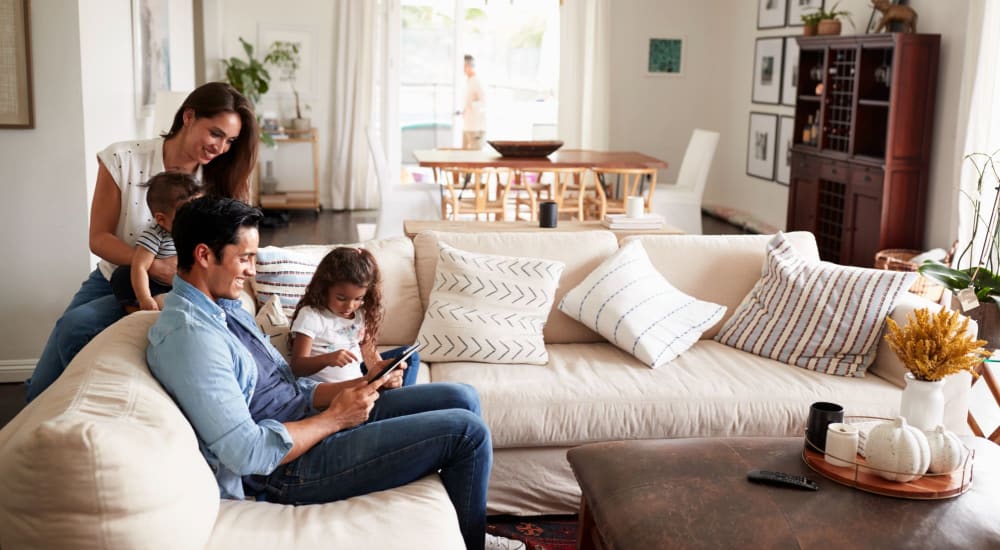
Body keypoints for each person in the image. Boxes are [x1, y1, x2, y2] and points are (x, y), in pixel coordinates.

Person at [146, 197, 492, 549]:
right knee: (467, 433)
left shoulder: (225, 308)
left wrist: (362, 383)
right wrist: (337, 418)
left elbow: (288, 389)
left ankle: (465, 526)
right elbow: (246, 453)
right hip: (288, 467)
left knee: (462, 396)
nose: (252, 270)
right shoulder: (191, 338)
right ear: (204, 256)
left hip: (311, 418)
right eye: (245, 258)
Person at [25, 82, 259, 403]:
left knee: (77, 327)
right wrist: (154, 265)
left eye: (230, 140)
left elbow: (230, 250)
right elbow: (99, 238)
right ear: (188, 116)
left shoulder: (219, 180)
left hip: (178, 288)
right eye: (215, 133)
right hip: (115, 274)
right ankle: (52, 416)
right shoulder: (123, 158)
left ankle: (83, 407)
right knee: (41, 383)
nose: (221, 147)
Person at [289, 247, 421, 386]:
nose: (349, 306)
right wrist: (327, 359)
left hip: (361, 383)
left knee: (410, 357)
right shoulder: (311, 315)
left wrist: (383, 377)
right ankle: (400, 400)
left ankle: (398, 396)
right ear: (324, 288)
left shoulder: (359, 314)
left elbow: (370, 356)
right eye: (341, 298)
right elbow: (297, 367)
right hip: (336, 393)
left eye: (358, 299)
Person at [109, 171, 202, 312]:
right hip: (156, 286)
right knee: (123, 275)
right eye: (186, 215)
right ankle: (135, 309)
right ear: (161, 219)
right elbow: (140, 266)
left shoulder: (198, 231)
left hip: (185, 284)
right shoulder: (155, 235)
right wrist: (144, 297)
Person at [462, 54, 487, 150]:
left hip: (476, 128)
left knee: (474, 158)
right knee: (464, 158)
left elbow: (484, 103)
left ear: (467, 66)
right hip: (467, 126)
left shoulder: (477, 81)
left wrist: (471, 106)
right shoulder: (468, 81)